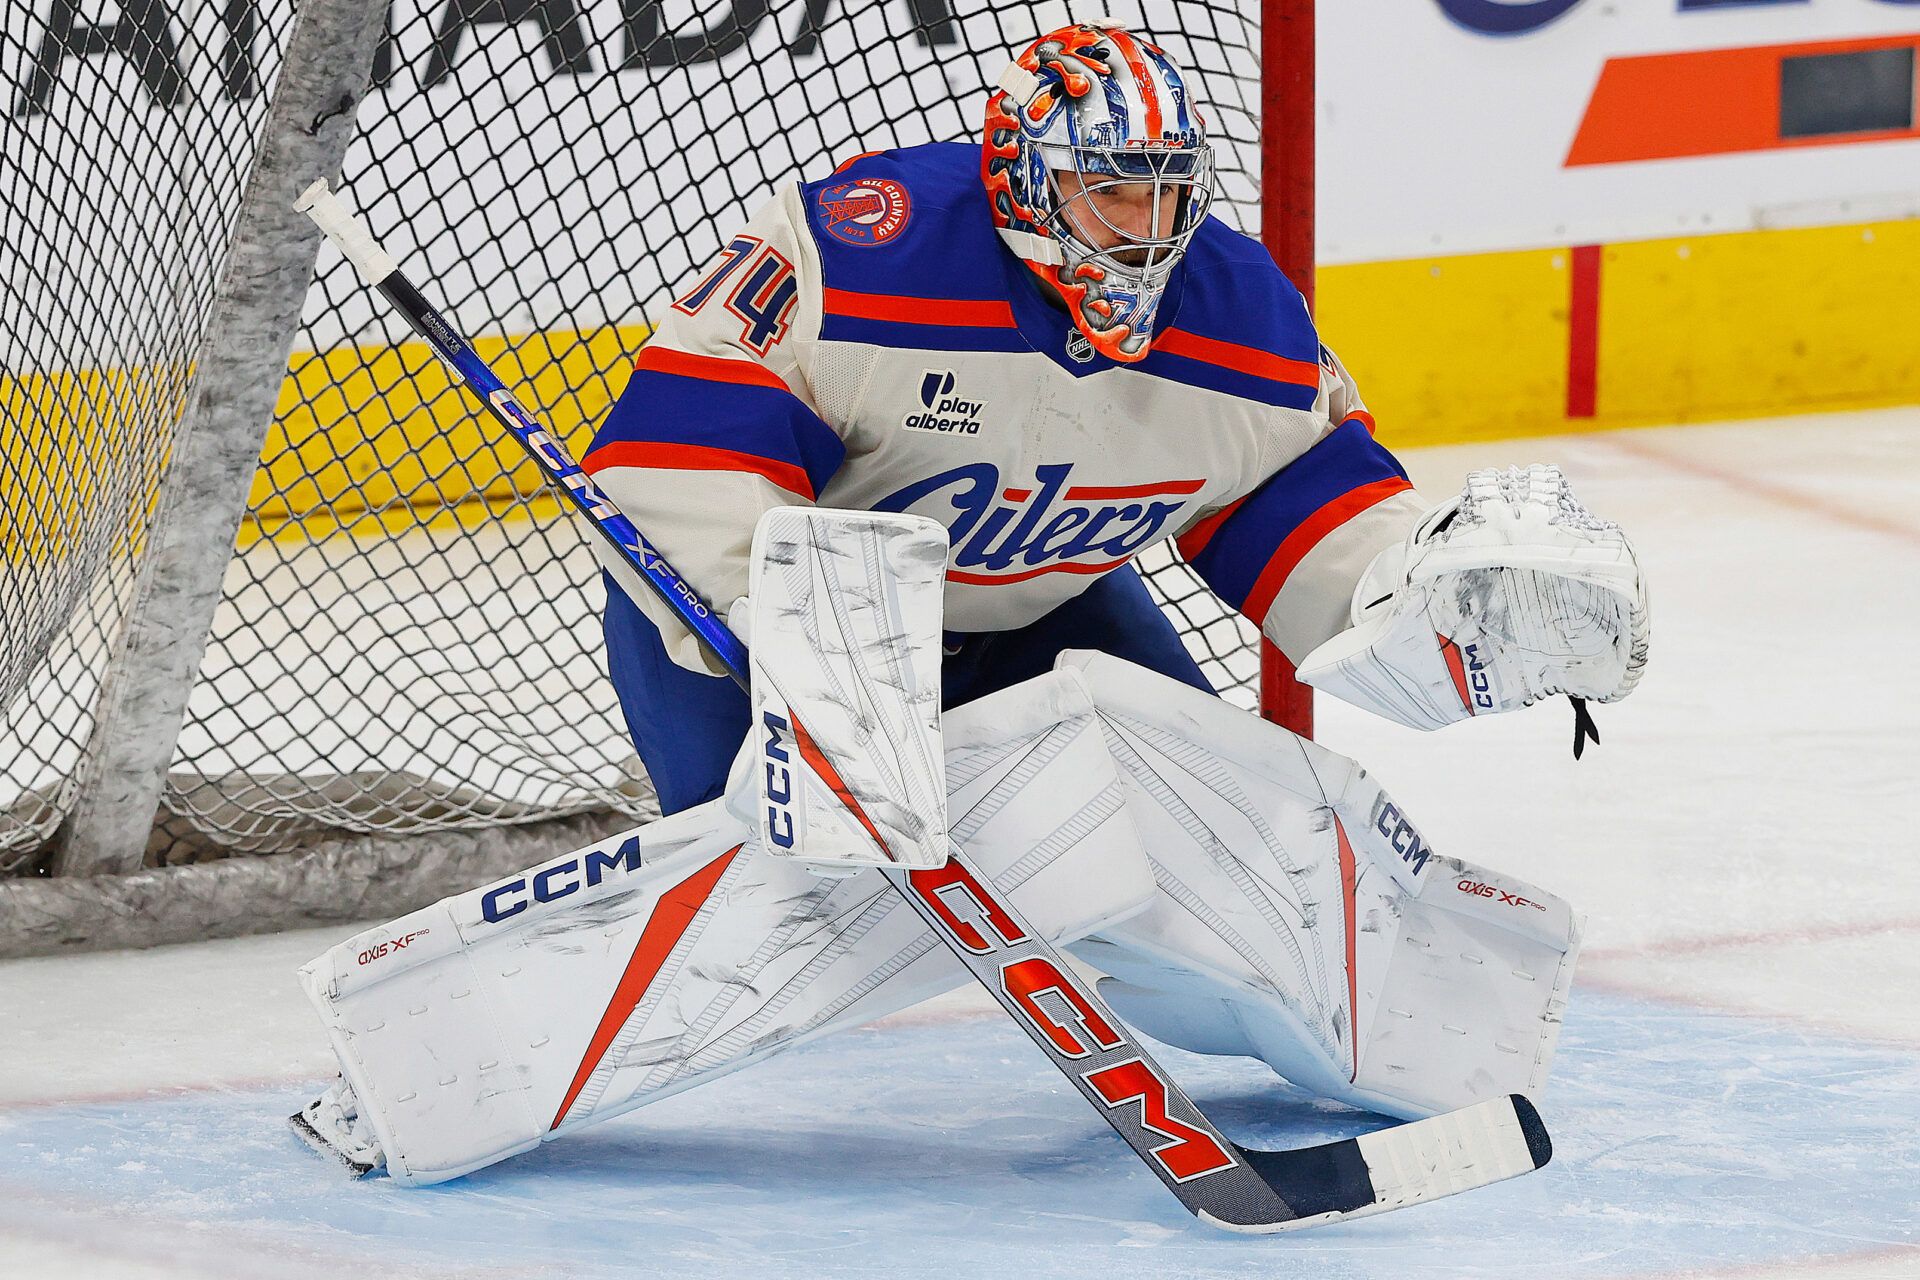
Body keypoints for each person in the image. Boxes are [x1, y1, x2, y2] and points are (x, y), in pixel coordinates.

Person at [583, 18, 1647, 814]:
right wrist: (782, 627)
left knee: (1218, 824)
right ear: (1025, 188)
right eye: (1111, 194)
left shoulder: (1244, 322)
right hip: (775, 622)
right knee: (790, 890)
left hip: (1038, 618)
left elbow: (1306, 518)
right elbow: (681, 456)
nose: (1146, 229)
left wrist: (1440, 600)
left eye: (1167, 192)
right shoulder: (868, 258)